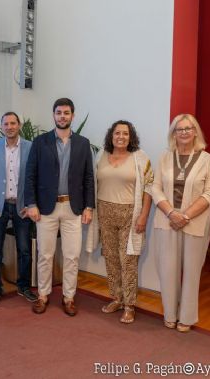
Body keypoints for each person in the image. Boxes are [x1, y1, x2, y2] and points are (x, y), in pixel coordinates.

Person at [24, 98, 95, 316]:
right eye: (58, 112)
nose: (62, 116)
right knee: (45, 255)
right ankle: (43, 295)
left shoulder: (83, 143)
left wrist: (89, 206)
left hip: (73, 208)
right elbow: (30, 175)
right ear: (53, 115)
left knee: (72, 256)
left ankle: (68, 297)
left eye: (66, 113)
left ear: (73, 116)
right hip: (46, 209)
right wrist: (31, 204)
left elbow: (88, 177)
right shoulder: (40, 142)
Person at [152, 114, 210, 332]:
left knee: (191, 273)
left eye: (189, 128)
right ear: (174, 134)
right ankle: (170, 314)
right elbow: (155, 187)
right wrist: (172, 213)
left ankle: (187, 317)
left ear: (195, 132)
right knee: (167, 270)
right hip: (167, 221)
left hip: (195, 223)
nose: (184, 132)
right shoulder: (164, 157)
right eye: (179, 129)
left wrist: (186, 215)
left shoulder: (207, 159)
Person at [85, 120, 153, 324]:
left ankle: (130, 305)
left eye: (125, 133)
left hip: (129, 215)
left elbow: (149, 188)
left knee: (128, 261)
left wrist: (144, 216)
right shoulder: (101, 155)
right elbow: (92, 183)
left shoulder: (140, 157)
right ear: (111, 135)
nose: (121, 137)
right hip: (104, 213)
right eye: (117, 133)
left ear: (130, 137)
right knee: (111, 259)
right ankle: (117, 298)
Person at [0, 112, 36, 306]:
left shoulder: (31, 147)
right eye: (6, 124)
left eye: (13, 123)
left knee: (25, 250)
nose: (10, 127)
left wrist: (31, 205)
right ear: (2, 126)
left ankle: (24, 287)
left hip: (22, 207)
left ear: (19, 125)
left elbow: (35, 179)